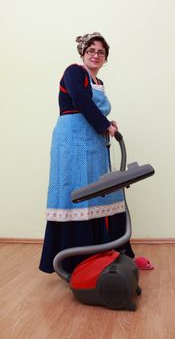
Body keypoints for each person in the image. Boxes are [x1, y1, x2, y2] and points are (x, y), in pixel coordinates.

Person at [39, 32, 153, 274]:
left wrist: (106, 123)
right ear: (82, 53)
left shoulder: (98, 83)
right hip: (72, 144)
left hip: (94, 144)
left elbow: (92, 108)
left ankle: (119, 255)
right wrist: (104, 125)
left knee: (104, 194)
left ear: (105, 58)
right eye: (91, 50)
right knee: (77, 194)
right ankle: (75, 263)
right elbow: (80, 100)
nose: (95, 55)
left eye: (101, 52)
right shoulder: (74, 71)